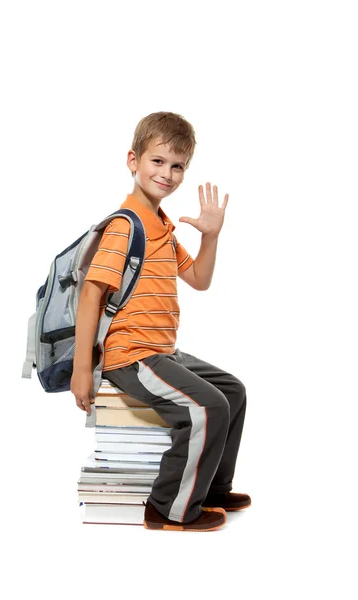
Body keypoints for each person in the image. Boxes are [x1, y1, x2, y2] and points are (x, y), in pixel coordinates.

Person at [71, 111, 250, 532]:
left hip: (161, 351)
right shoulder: (125, 226)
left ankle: (210, 488)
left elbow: (199, 280)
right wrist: (83, 369)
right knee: (208, 406)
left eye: (177, 166)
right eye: (157, 161)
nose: (167, 174)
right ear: (133, 160)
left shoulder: (163, 227)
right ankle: (170, 508)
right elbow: (91, 294)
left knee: (233, 392)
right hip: (131, 356)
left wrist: (211, 235)